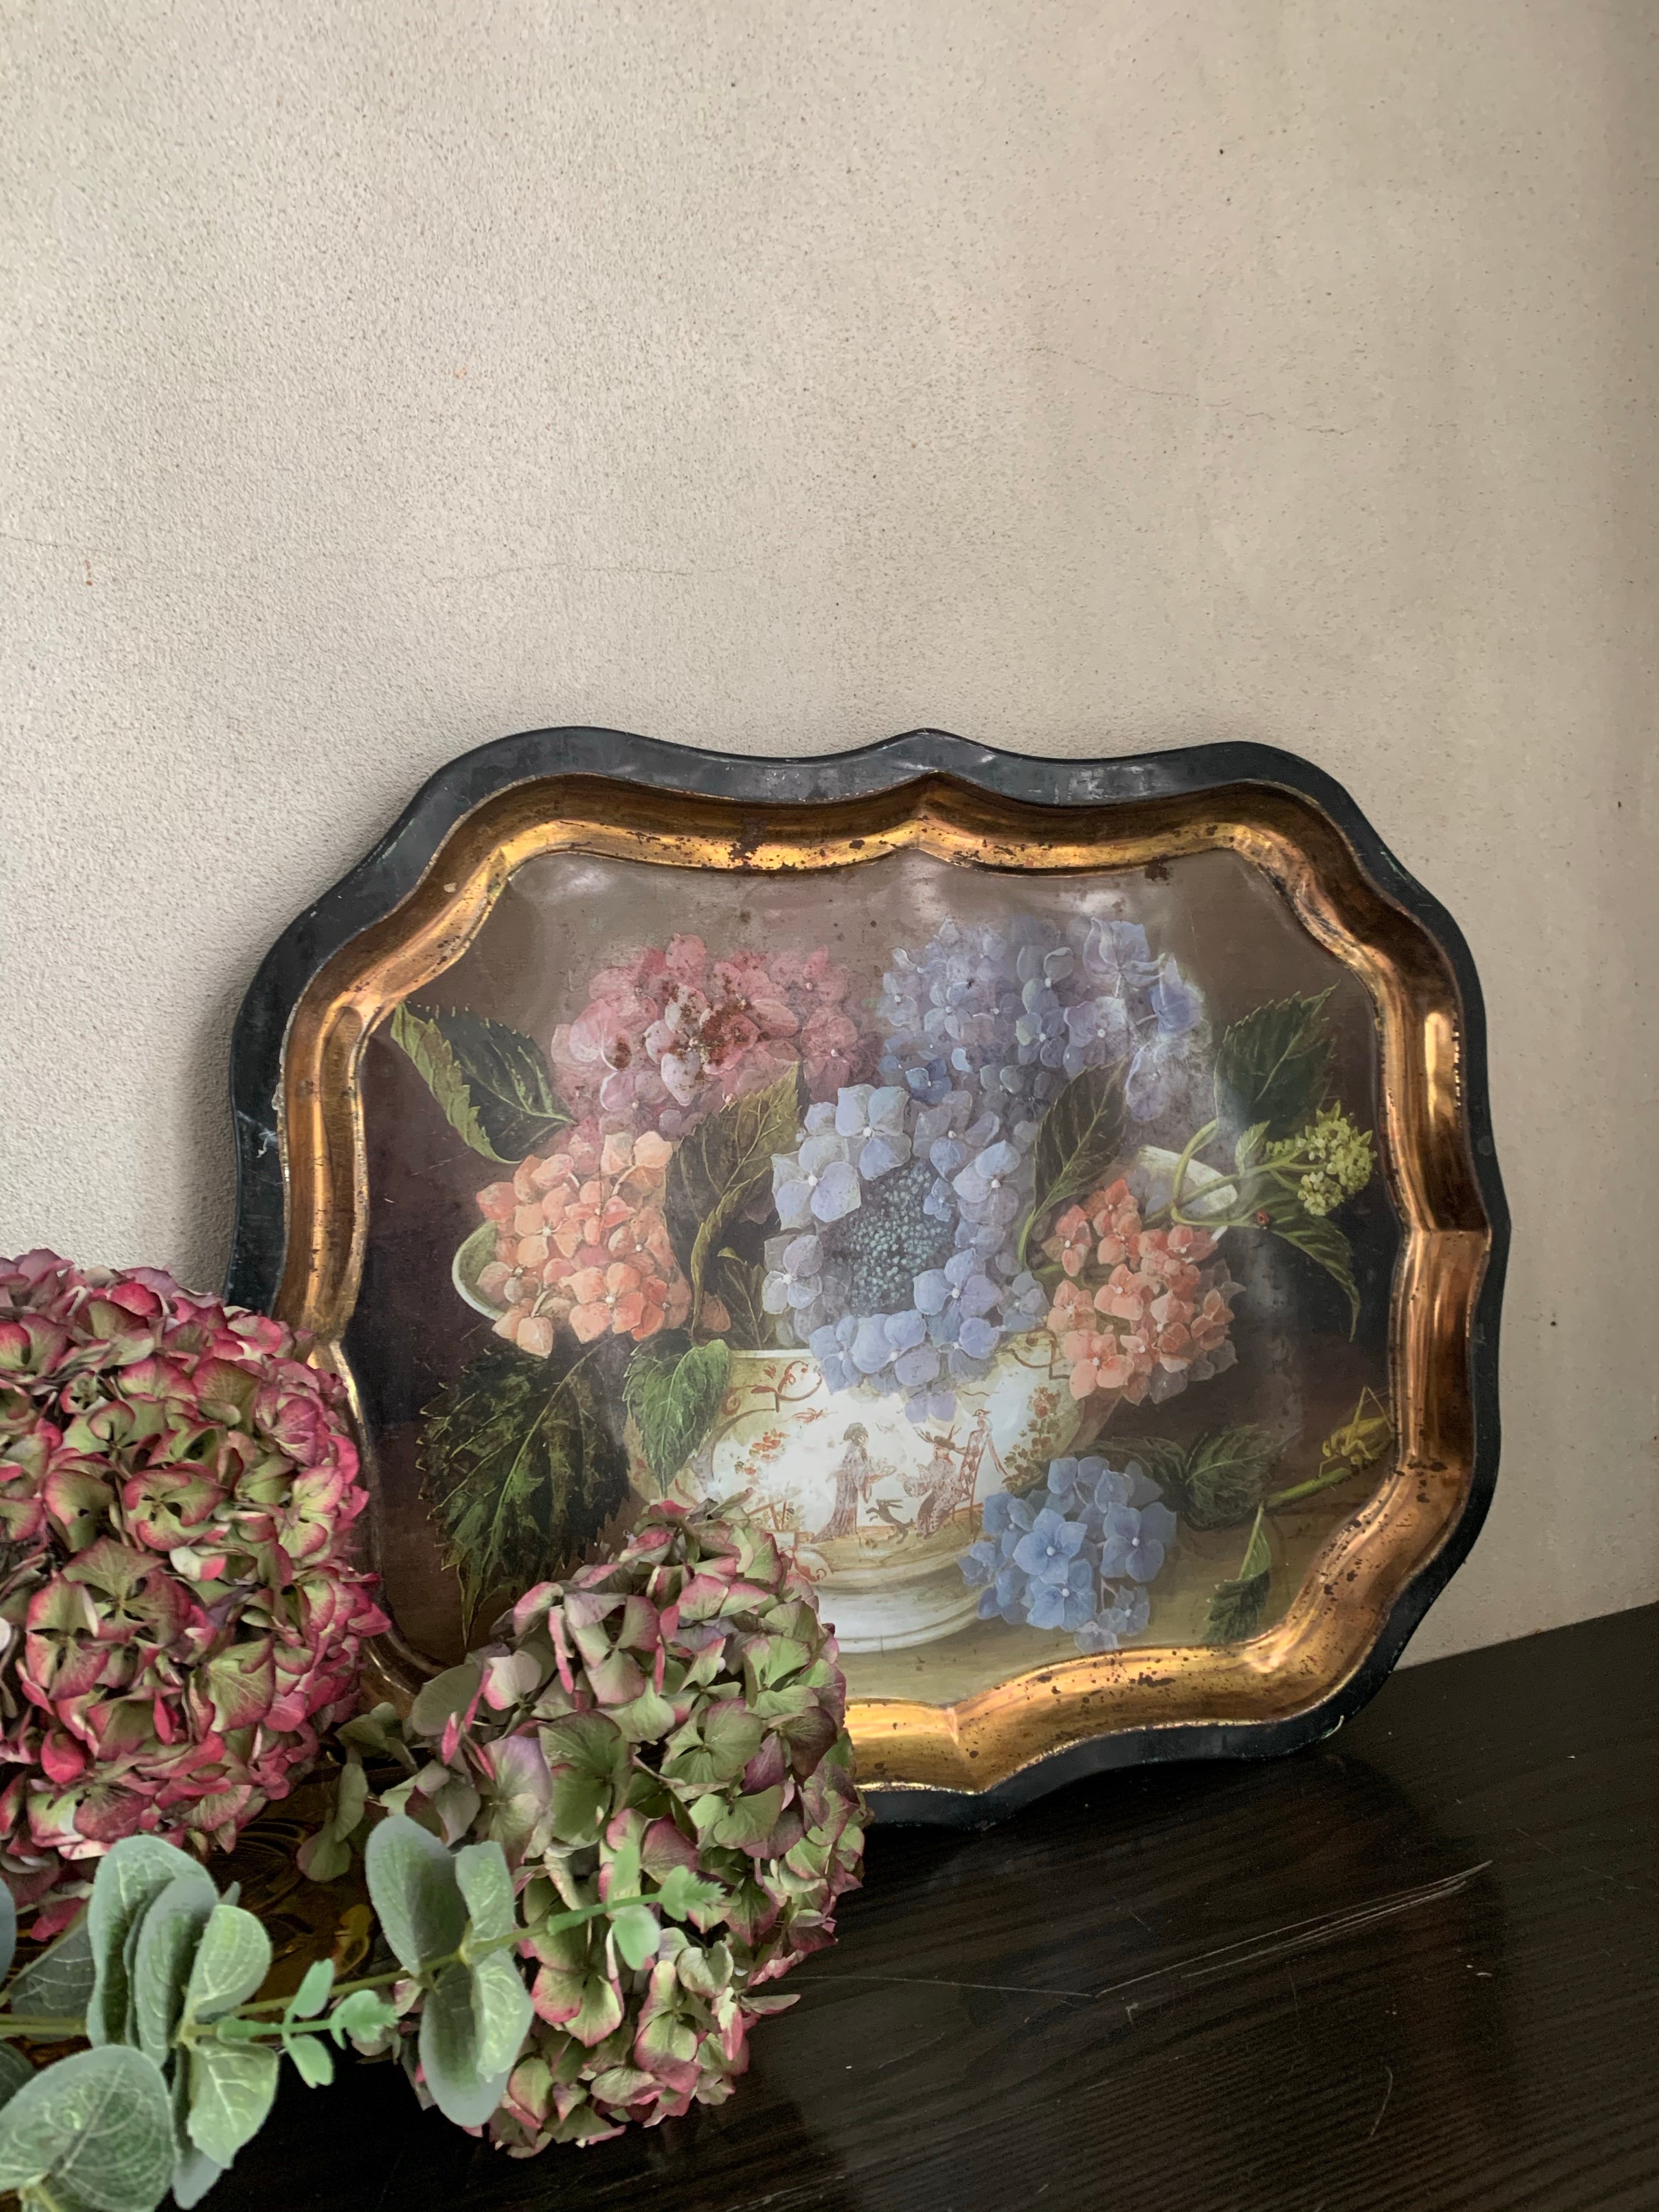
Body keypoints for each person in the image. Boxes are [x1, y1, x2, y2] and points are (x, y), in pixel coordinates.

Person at [818, 1422, 873, 1541]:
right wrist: (865, 1475)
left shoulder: (858, 1449)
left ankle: (848, 1529)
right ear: (855, 1437)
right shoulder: (854, 1449)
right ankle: (843, 1529)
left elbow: (860, 1467)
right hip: (848, 1481)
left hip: (850, 1481)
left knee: (850, 1504)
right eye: (861, 1436)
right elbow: (855, 1467)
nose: (863, 1439)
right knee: (846, 1505)